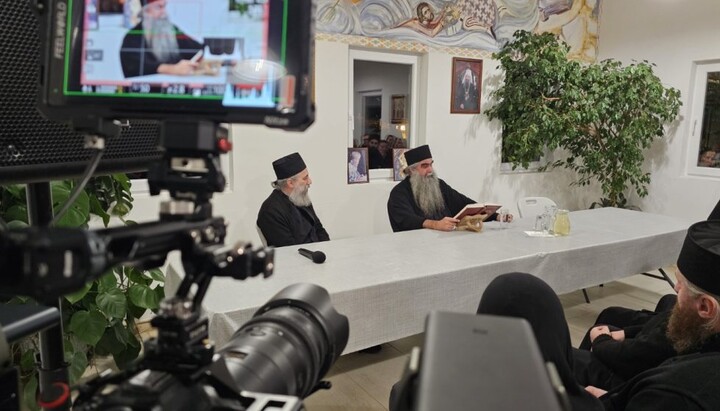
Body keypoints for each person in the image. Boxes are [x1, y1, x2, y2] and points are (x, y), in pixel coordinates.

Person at [478, 220, 720, 411]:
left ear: (706, 307)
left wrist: (607, 399)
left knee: (516, 293)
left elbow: (647, 369)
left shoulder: (674, 392)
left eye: (680, 285)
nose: (675, 288)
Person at [387, 144, 511, 232]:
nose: (430, 170)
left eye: (431, 164)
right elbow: (406, 220)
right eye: (424, 166)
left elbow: (462, 203)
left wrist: (495, 216)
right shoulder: (399, 193)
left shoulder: (438, 184)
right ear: (412, 170)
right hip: (416, 247)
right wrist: (435, 224)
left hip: (445, 241)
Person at [257, 152, 330, 247]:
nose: (310, 181)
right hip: (298, 255)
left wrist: (327, 248)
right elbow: (288, 249)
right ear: (290, 183)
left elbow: (319, 229)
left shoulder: (301, 197)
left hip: (317, 252)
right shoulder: (270, 212)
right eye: (305, 178)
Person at [119, 0, 203, 77]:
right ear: (145, 11)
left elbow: (196, 49)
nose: (164, 12)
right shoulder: (133, 36)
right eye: (159, 7)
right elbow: (136, 65)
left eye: (164, 6)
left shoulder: (172, 30)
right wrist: (171, 69)